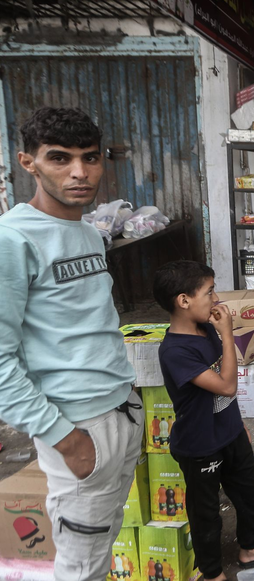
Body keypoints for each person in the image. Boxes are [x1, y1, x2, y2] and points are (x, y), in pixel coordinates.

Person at [0, 107, 144, 580]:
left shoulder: (87, 232)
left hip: (122, 410)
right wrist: (64, 438)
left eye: (90, 158)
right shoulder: (12, 240)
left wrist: (128, 394)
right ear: (28, 162)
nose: (80, 172)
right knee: (81, 565)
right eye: (60, 158)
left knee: (105, 539)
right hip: (77, 425)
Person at [153, 261, 254, 580]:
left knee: (251, 490)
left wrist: (238, 422)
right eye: (209, 292)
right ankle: (212, 573)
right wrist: (227, 333)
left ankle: (251, 548)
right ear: (183, 300)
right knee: (206, 514)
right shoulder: (175, 351)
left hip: (229, 432)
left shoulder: (206, 330)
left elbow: (224, 383)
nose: (216, 299)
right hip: (200, 445)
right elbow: (227, 385)